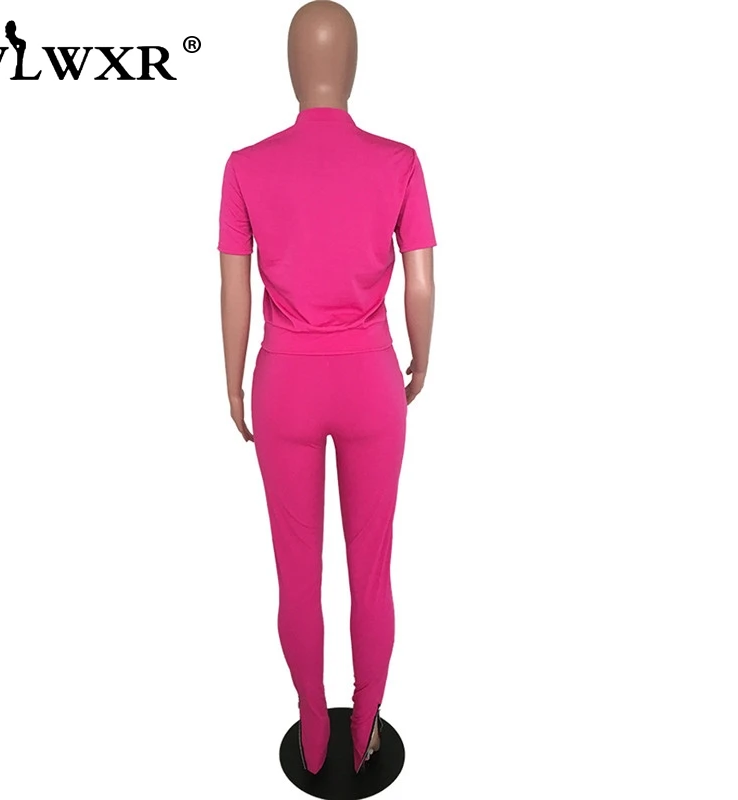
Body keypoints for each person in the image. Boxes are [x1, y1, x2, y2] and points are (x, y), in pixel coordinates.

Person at [217, 0, 436, 776]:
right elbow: (420, 282)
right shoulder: (399, 161)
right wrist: (422, 359)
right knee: (371, 568)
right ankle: (364, 724)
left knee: (295, 570)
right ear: (351, 65)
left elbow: (234, 288)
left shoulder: (246, 167)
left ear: (293, 66)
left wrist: (233, 383)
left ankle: (314, 734)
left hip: (284, 383)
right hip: (372, 378)